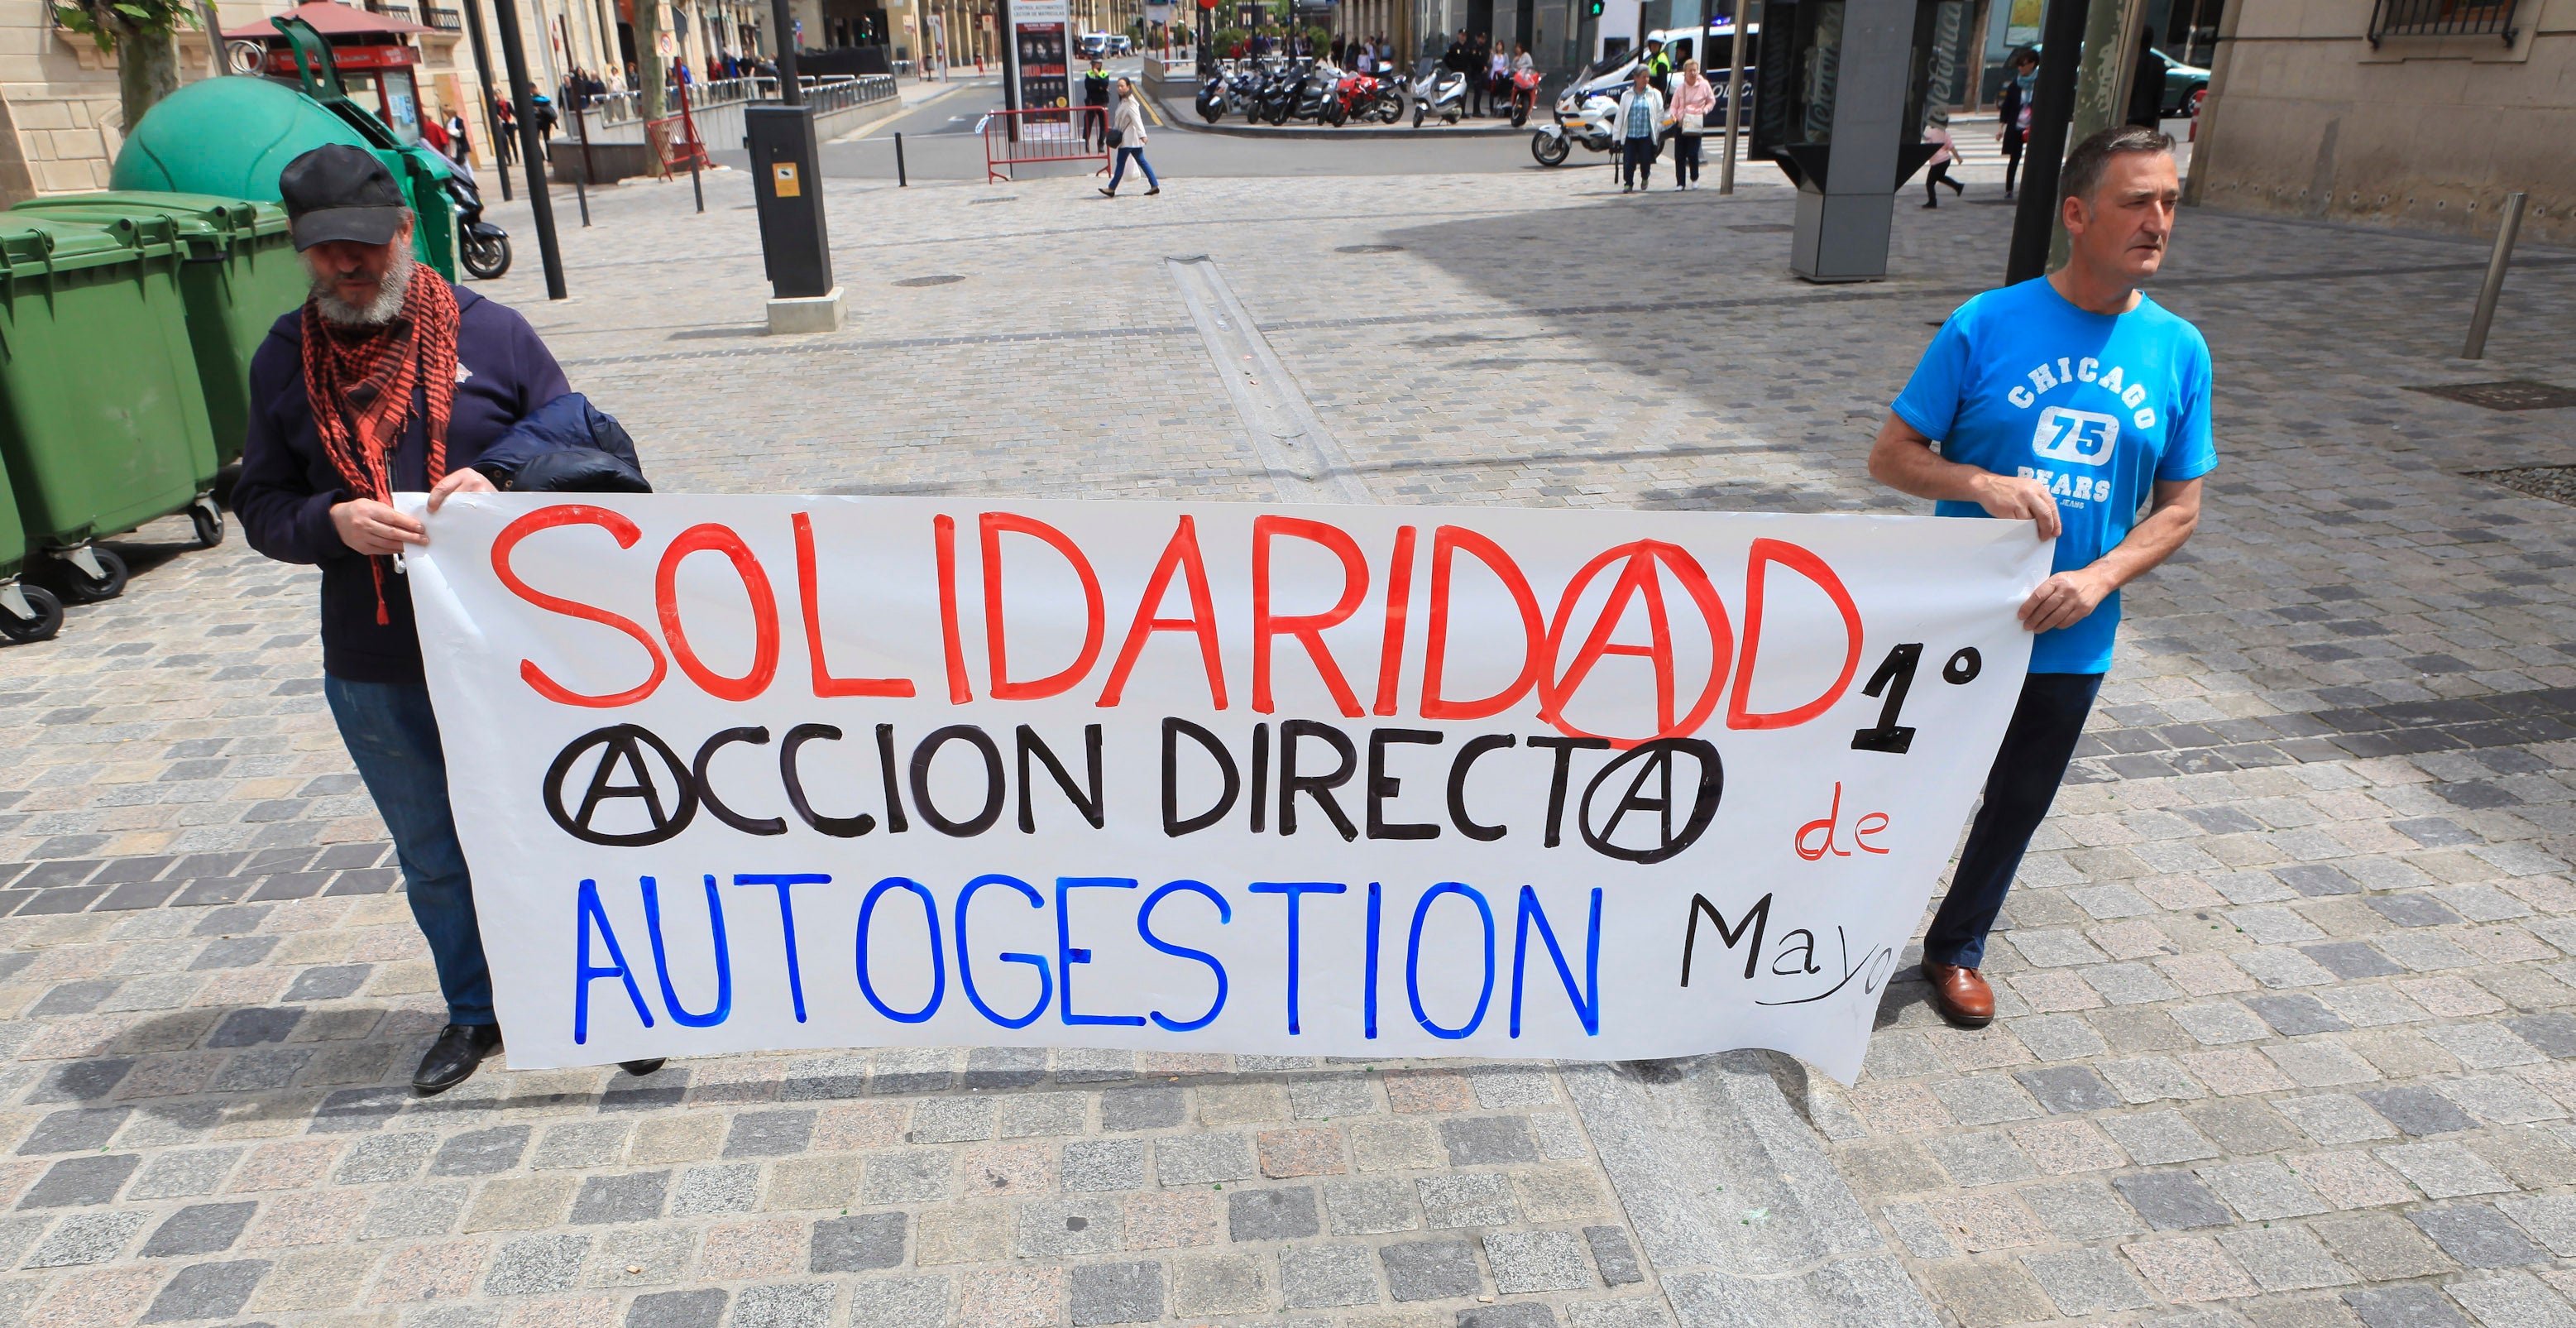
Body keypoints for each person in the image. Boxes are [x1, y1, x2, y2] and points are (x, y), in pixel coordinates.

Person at [231, 146, 668, 1094]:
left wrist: (503, 474)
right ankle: (477, 1011)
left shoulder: (493, 333)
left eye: (364, 246)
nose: (349, 267)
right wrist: (331, 522)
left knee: (569, 826)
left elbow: (586, 440)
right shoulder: (283, 359)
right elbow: (260, 504)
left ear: (404, 232)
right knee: (433, 850)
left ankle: (608, 999)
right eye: (325, 252)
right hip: (377, 658)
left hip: (519, 649)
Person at [1868, 125, 2214, 1028]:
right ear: (2076, 213)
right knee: (1900, 787)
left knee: (2015, 804)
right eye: (2137, 200)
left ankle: (1955, 950)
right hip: (1959, 626)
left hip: (2072, 638)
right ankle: (1835, 937)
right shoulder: (1987, 324)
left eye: (2170, 201)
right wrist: (1974, 481)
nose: (2158, 221)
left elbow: (2180, 508)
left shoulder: (2181, 351)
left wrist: (2099, 579)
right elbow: (1893, 456)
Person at [1099, 77, 1159, 197]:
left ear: (1128, 87)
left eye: (1122, 86)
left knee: (1121, 163)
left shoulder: (1130, 103)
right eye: (1118, 86)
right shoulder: (1124, 101)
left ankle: (1111, 188)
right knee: (1142, 161)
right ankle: (1154, 185)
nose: (1120, 89)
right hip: (1132, 140)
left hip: (1128, 140)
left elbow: (1137, 120)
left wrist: (1143, 135)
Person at [1614, 66, 1664, 194]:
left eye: (1648, 77)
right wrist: (1616, 136)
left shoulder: (1654, 94)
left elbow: (1659, 114)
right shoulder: (1627, 95)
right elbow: (1620, 116)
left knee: (1645, 160)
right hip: (1630, 135)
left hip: (1645, 135)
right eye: (1643, 77)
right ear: (1635, 78)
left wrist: (1658, 129)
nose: (1646, 80)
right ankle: (1628, 183)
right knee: (1629, 161)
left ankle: (1645, 176)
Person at [1669, 58, 1714, 189]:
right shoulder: (1680, 88)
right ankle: (1680, 183)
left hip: (1696, 122)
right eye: (1690, 70)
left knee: (1693, 153)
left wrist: (1705, 110)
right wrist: (1673, 116)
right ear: (1685, 72)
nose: (1693, 73)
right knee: (1679, 155)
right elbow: (1673, 106)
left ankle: (1694, 178)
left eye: (1695, 70)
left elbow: (1712, 101)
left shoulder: (1704, 85)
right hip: (1682, 123)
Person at [1999, 48, 2037, 198]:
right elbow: (2007, 106)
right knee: (2014, 158)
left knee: (2034, 159)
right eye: (2019, 65)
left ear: (2032, 64)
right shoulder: (2015, 85)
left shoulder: (2040, 82)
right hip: (2017, 124)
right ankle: (2009, 189)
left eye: (2023, 65)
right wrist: (2001, 126)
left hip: (2033, 125)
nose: (2020, 68)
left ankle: (2031, 188)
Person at [1922, 110, 1964, 206]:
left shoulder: (1930, 133)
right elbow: (1952, 148)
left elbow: (1927, 148)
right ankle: (1957, 186)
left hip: (1937, 161)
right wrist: (1958, 158)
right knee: (1940, 177)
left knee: (1930, 183)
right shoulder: (1945, 134)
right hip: (1946, 160)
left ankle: (1932, 201)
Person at [1081, 55, 1113, 149]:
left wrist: (1098, 76)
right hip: (1091, 101)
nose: (1094, 66)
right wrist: (1101, 87)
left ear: (1100, 64)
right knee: (1088, 122)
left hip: (1102, 102)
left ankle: (1101, 144)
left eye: (1096, 64)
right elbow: (1088, 87)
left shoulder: (1104, 74)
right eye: (1093, 64)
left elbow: (1105, 84)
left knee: (1103, 124)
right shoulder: (1088, 74)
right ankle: (1086, 142)